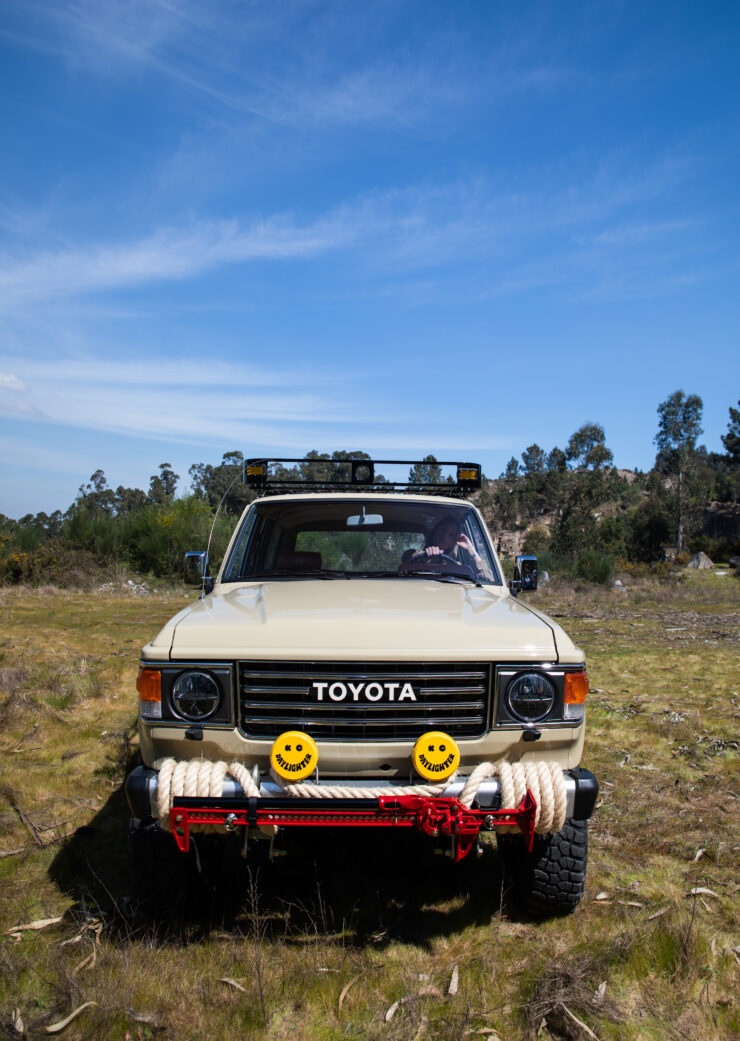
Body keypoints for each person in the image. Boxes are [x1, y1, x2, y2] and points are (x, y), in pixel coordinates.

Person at [404, 517, 493, 580]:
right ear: (435, 530)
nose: (445, 536)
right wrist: (425, 558)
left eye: (451, 535)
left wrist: (472, 551)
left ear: (453, 542)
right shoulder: (412, 555)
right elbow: (404, 572)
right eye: (443, 530)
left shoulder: (457, 567)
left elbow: (488, 580)